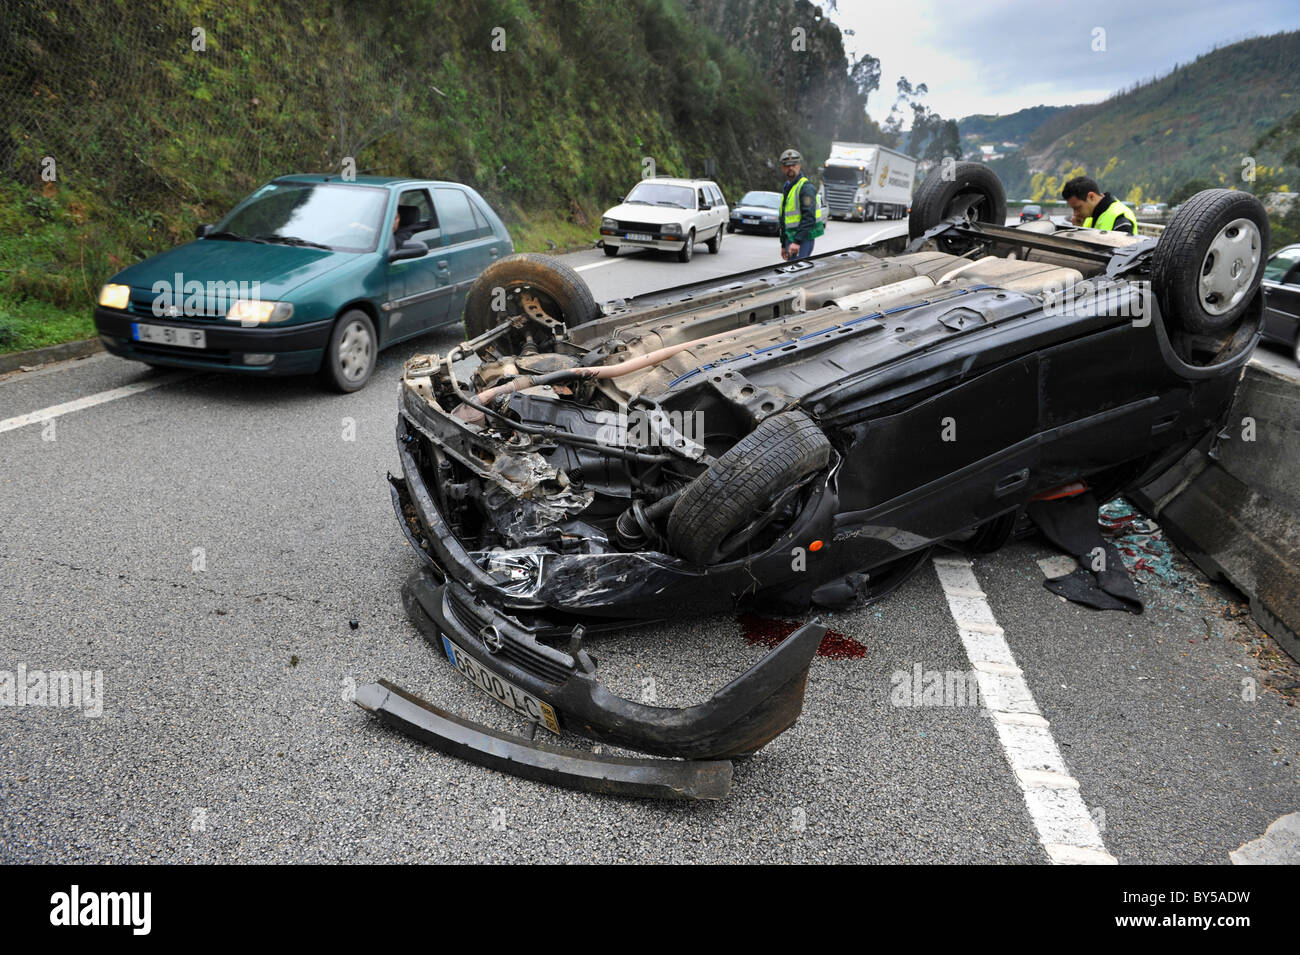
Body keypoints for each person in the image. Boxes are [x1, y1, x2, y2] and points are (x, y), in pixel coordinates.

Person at [778, 149, 824, 260]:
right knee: (792, 271)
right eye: (787, 165)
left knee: (797, 272)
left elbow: (809, 217)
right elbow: (784, 219)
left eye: (794, 164)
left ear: (799, 165)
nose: (791, 168)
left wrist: (797, 241)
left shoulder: (805, 188)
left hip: (803, 239)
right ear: (783, 168)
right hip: (791, 238)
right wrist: (784, 244)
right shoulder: (788, 187)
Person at [1061, 176, 1138, 234]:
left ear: (1091, 197)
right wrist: (1078, 228)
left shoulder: (1119, 218)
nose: (1075, 213)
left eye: (1078, 208)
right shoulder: (1090, 215)